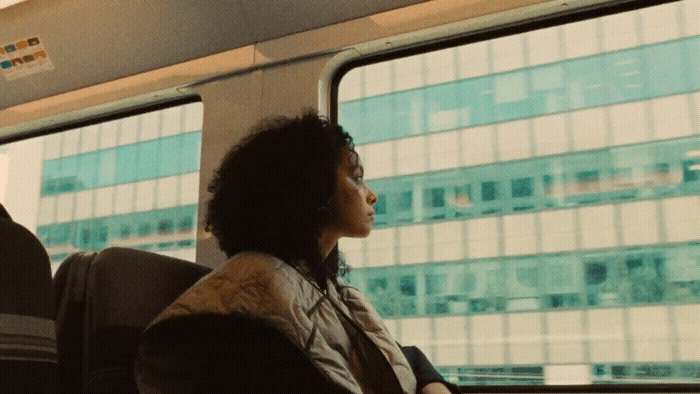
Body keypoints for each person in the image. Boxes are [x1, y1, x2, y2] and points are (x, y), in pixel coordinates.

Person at [134, 112, 460, 393]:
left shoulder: (323, 288)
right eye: (356, 179)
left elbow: (390, 358)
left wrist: (432, 383)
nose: (371, 195)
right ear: (310, 187)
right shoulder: (243, 309)